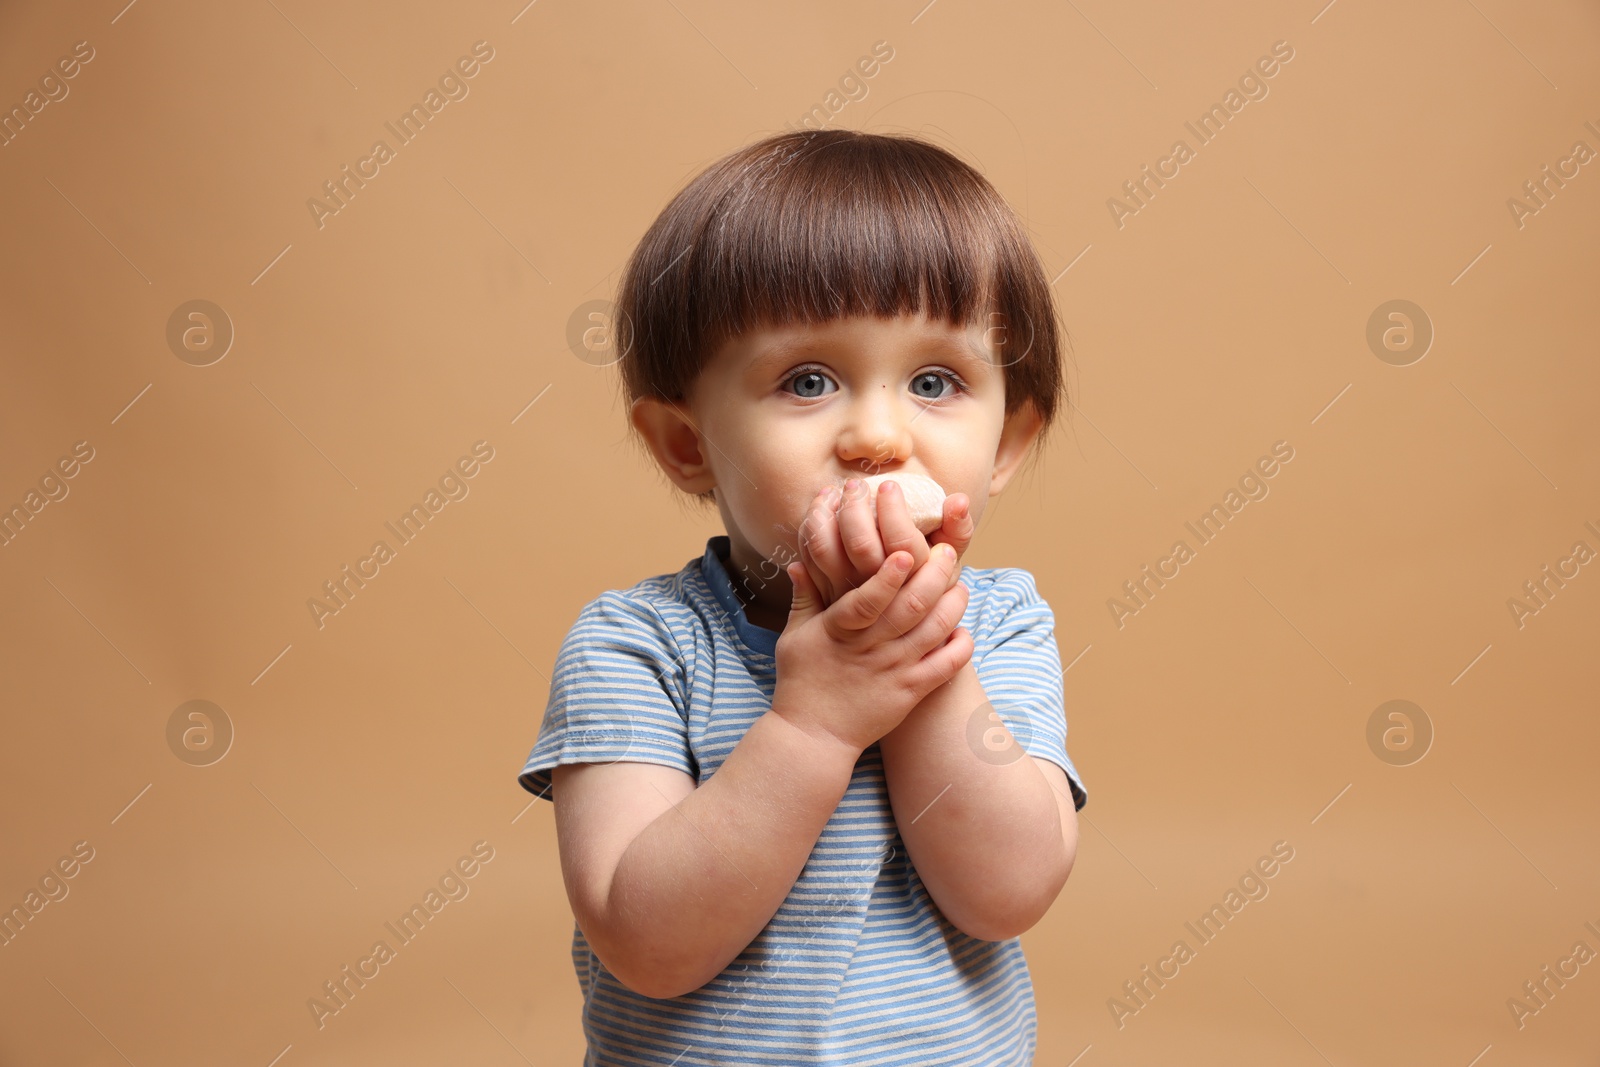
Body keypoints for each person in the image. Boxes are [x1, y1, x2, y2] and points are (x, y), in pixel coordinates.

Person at [516, 127, 1088, 1065]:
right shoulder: (636, 646)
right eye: (808, 380)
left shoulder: (1000, 625)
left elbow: (1010, 888)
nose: (876, 435)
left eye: (935, 381)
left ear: (1009, 441)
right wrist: (814, 724)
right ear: (686, 443)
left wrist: (920, 661)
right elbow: (647, 943)